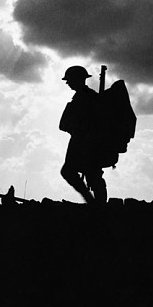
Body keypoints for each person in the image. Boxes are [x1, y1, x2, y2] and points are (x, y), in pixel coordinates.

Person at [59, 66, 107, 204]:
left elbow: (91, 122)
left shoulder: (84, 98)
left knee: (82, 173)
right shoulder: (86, 96)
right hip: (85, 141)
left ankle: (93, 202)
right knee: (92, 174)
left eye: (69, 80)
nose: (67, 83)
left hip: (85, 143)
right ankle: (95, 203)